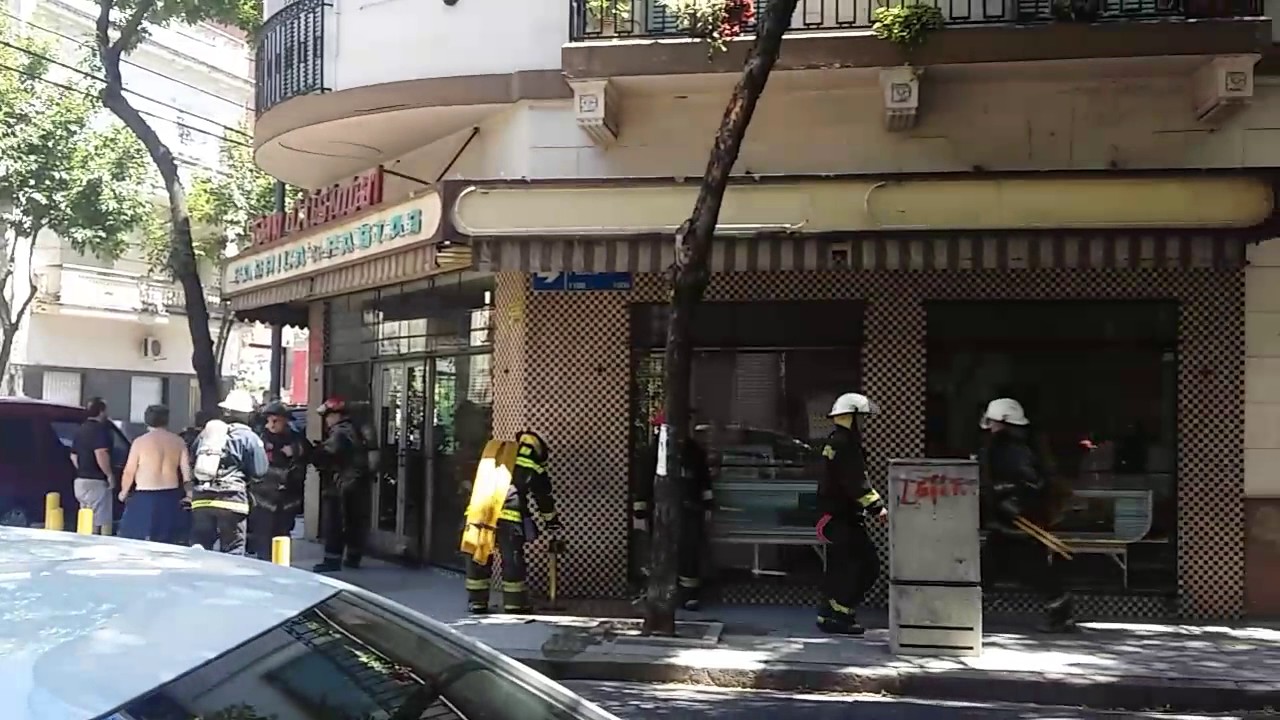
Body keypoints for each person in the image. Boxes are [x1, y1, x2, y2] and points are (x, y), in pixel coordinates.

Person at [979, 397, 1075, 633]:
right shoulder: (1008, 446)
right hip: (1007, 520)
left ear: (1004, 421)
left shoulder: (1013, 449)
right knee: (988, 566)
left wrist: (1010, 499)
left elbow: (1031, 482)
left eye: (993, 421)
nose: (989, 426)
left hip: (1019, 521)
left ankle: (1061, 608)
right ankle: (964, 610)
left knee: (1030, 568)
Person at [815, 392, 887, 636]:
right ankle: (840, 615)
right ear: (851, 418)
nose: (864, 425)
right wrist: (877, 507)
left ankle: (828, 613)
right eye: (862, 419)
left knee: (841, 567)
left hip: (834, 518)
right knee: (867, 566)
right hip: (843, 518)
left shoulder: (835, 441)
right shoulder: (846, 444)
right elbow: (855, 481)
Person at [465, 431, 560, 614]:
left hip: (478, 513)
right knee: (512, 561)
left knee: (479, 556)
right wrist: (552, 521)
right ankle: (514, 604)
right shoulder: (533, 464)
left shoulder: (496, 455)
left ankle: (477, 603)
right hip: (509, 518)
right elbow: (543, 497)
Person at [632, 410, 713, 610]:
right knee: (660, 550)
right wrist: (640, 510)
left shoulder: (695, 451)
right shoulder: (652, 453)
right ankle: (660, 593)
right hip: (660, 510)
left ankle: (689, 594)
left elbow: (704, 481)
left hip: (689, 509)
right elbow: (643, 483)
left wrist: (708, 505)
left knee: (689, 551)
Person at [189, 389, 267, 555]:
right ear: (247, 415)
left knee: (200, 547)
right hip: (232, 500)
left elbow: (192, 458)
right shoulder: (249, 437)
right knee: (233, 550)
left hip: (201, 499)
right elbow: (260, 471)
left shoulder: (207, 433)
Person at [312, 397, 372, 572]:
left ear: (337, 415)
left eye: (328, 416)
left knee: (334, 522)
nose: (327, 420)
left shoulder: (339, 432)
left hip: (340, 484)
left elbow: (325, 454)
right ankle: (353, 557)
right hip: (355, 483)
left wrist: (314, 452)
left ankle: (332, 560)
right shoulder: (353, 430)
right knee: (354, 522)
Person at [117, 405, 189, 544]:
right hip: (170, 495)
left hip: (144, 494)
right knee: (168, 541)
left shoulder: (140, 442)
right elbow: (186, 471)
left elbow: (129, 471)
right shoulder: (178, 442)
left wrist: (124, 492)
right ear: (167, 420)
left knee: (136, 540)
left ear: (146, 420)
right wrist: (189, 494)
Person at [250, 401, 311, 560]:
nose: (272, 424)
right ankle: (264, 565)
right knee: (263, 535)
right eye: (270, 420)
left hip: (288, 499)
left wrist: (295, 451)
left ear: (285, 421)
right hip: (264, 498)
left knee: (283, 535)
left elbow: (310, 454)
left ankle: (281, 567)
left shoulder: (296, 438)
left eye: (276, 420)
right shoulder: (259, 438)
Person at [71, 398, 116, 534]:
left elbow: (73, 455)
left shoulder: (80, 429)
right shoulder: (100, 430)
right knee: (98, 520)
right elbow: (101, 453)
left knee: (85, 517)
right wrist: (109, 475)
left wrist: (82, 469)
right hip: (96, 481)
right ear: (101, 411)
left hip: (80, 481)